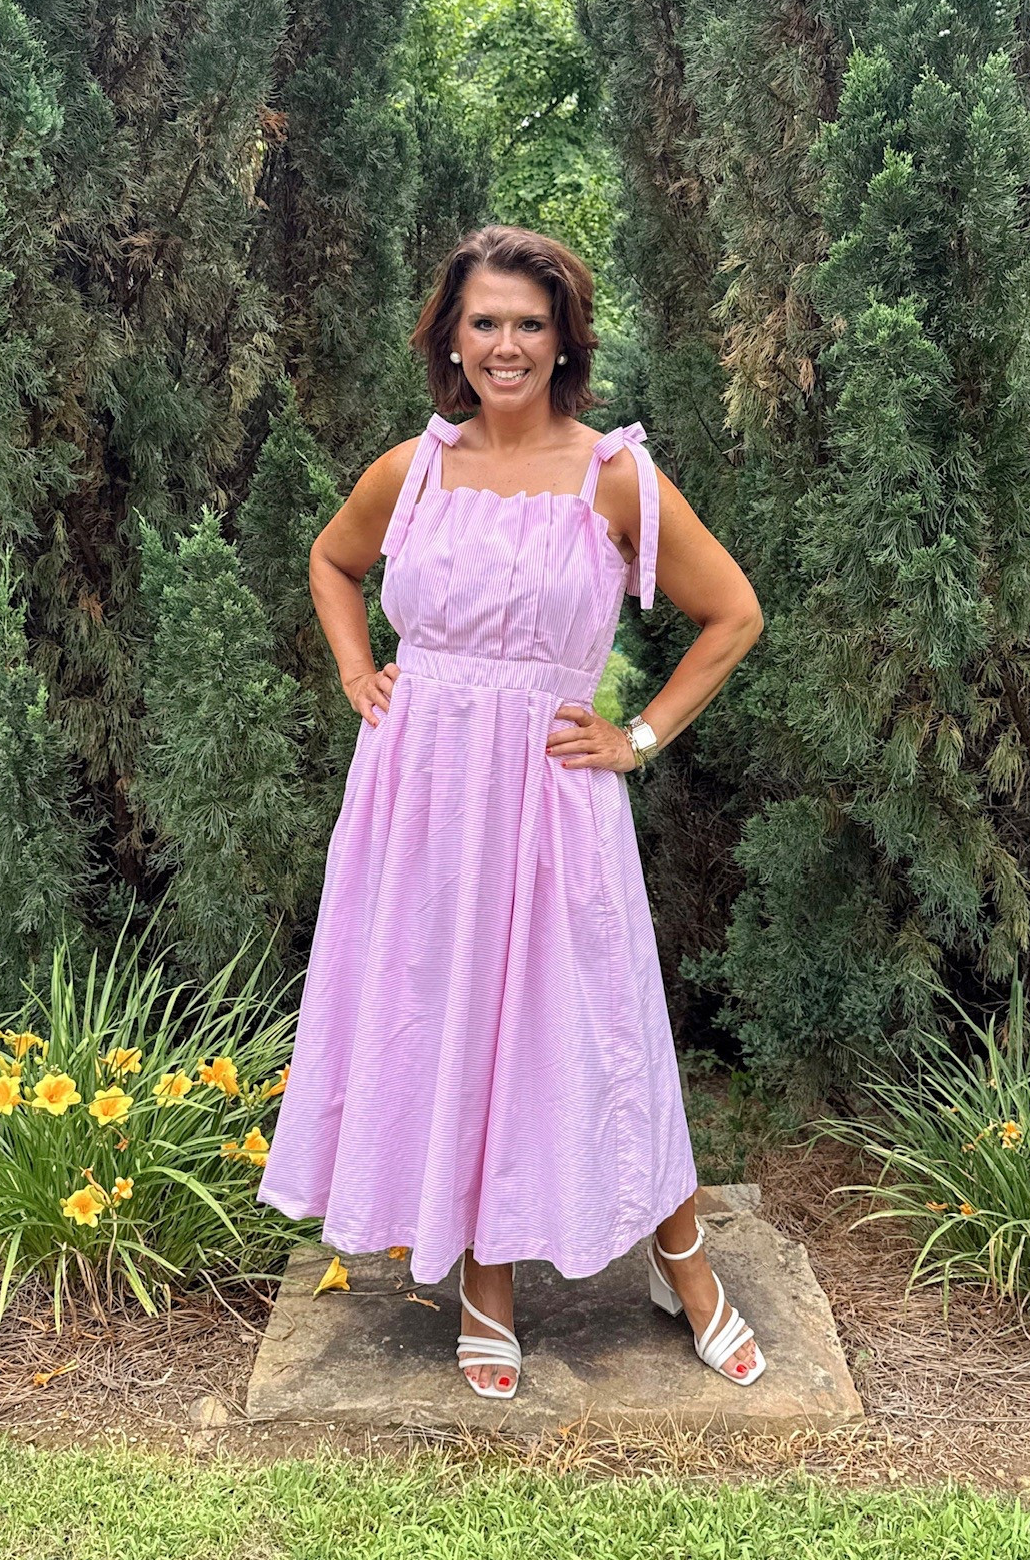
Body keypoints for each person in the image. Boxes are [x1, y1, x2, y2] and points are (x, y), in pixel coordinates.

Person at [257, 224, 767, 1396]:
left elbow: (732, 613)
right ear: (451, 335)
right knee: (453, 1026)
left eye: (529, 323)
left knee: (599, 1023)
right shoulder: (415, 467)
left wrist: (637, 736)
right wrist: (356, 674)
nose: (504, 344)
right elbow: (334, 564)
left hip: (548, 797)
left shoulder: (614, 473)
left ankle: (680, 1259)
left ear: (564, 339)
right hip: (420, 799)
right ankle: (486, 1276)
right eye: (483, 321)